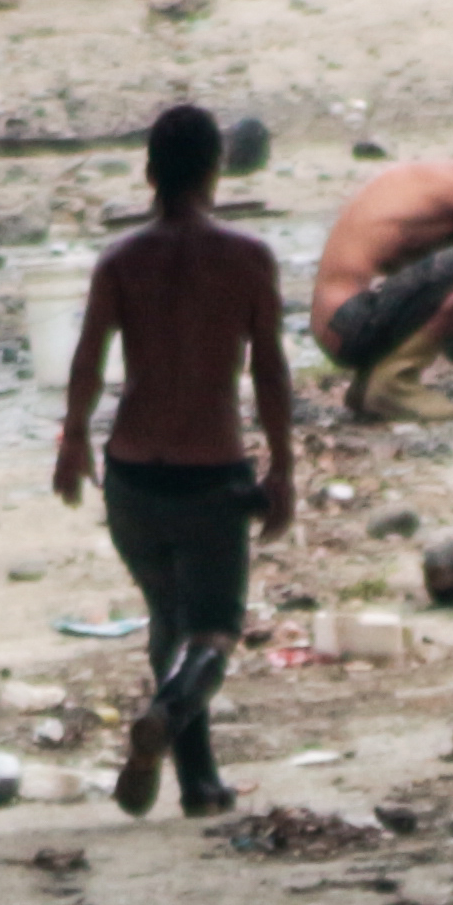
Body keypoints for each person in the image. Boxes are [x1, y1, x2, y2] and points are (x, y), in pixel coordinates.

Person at [53, 102, 295, 821]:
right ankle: (165, 711)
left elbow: (88, 361)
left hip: (132, 473)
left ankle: (198, 784)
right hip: (209, 477)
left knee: (168, 622)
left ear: (151, 174)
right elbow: (270, 371)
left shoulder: (121, 260)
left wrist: (72, 441)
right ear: (216, 172)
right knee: (214, 631)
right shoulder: (247, 258)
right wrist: (281, 466)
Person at [308, 139, 453, 416]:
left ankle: (370, 383)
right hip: (350, 320)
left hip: (336, 328)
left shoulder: (434, 197)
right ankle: (393, 382)